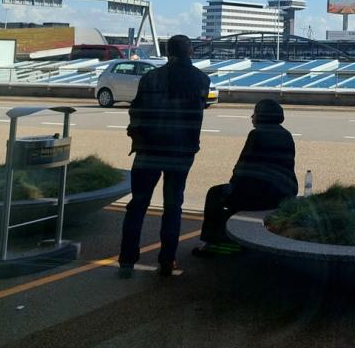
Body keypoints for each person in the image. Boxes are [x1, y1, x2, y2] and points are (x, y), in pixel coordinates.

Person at [118, 34, 210, 278]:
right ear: (190, 51)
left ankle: (127, 261)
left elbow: (136, 111)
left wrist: (138, 136)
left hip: (148, 151)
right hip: (181, 152)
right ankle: (167, 262)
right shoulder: (201, 79)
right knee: (173, 206)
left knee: (137, 205)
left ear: (168, 52)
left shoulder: (151, 78)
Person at [191, 99, 297, 256]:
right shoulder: (286, 134)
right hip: (284, 192)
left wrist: (232, 187)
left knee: (215, 194)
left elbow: (243, 168)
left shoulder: (257, 134)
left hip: (261, 194)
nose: (252, 116)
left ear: (262, 116)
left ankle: (215, 242)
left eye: (255, 112)